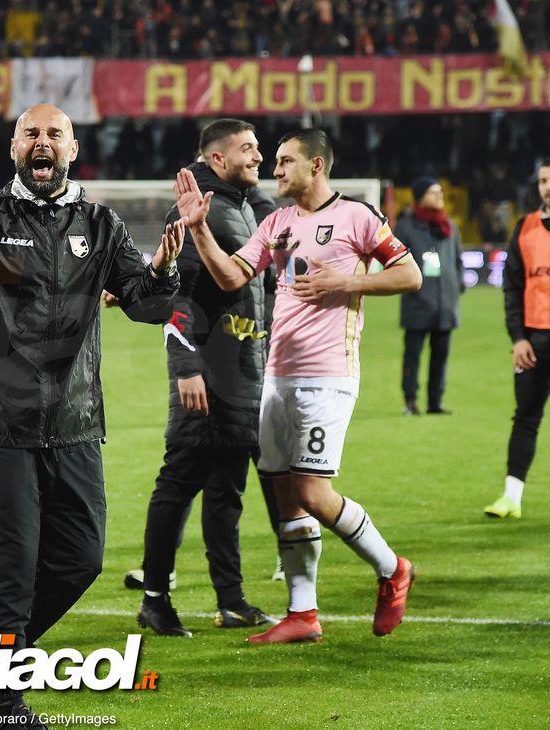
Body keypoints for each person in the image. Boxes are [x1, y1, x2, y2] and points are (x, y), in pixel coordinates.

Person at [0, 103, 182, 727]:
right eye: (32, 134)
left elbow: (147, 303)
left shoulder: (100, 224)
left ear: (72, 148)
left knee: (81, 558)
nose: (42, 143)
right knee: (8, 574)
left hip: (75, 421)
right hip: (0, 425)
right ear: (13, 147)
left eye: (55, 134)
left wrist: (161, 268)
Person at [174, 128, 421, 644]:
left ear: (317, 166)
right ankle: (303, 615)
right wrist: (199, 230)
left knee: (312, 491)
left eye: (285, 161)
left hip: (327, 377)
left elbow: (410, 276)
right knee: (286, 497)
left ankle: (392, 567)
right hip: (278, 377)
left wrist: (347, 282)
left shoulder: (357, 216)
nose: (275, 168)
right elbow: (230, 278)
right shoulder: (276, 222)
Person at [134, 119, 274, 638]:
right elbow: (180, 295)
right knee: (178, 485)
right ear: (217, 160)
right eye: (247, 149)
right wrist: (186, 366)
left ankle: (231, 600)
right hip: (206, 376)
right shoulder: (200, 207)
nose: (258, 157)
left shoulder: (240, 206)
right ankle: (155, 599)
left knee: (227, 491)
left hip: (243, 372)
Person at [484, 162, 550, 520]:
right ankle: (511, 498)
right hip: (534, 343)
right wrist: (518, 338)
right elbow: (513, 287)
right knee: (525, 419)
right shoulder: (525, 227)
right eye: (542, 180)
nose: (547, 187)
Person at [395, 176, 465, 416]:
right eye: (433, 192)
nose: (440, 196)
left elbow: (458, 261)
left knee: (440, 357)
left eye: (440, 192)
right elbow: (394, 264)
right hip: (417, 304)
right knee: (412, 356)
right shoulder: (405, 226)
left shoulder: (450, 226)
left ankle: (435, 402)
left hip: (445, 305)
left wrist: (456, 288)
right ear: (419, 197)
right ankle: (410, 400)